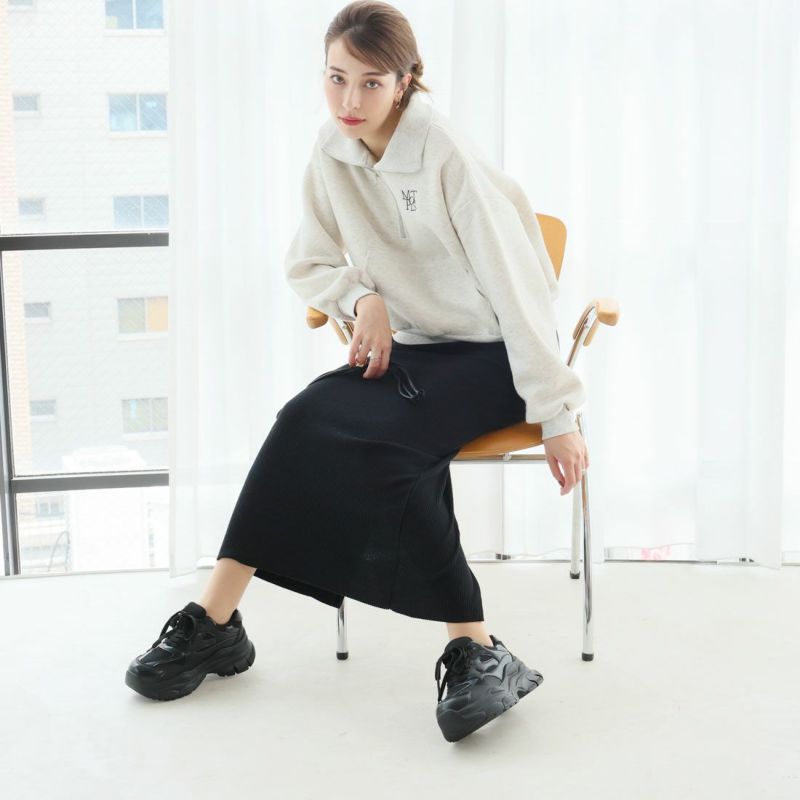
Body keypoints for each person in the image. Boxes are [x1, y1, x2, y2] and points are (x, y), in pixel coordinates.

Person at [125, 1, 589, 742]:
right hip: (417, 351)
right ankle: (214, 623)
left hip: (494, 356)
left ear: (405, 82)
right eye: (336, 77)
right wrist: (361, 297)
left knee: (390, 444)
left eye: (371, 83)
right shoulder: (331, 150)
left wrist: (558, 413)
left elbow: (520, 292)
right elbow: (307, 262)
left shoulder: (443, 153)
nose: (349, 100)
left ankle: (475, 648)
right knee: (304, 418)